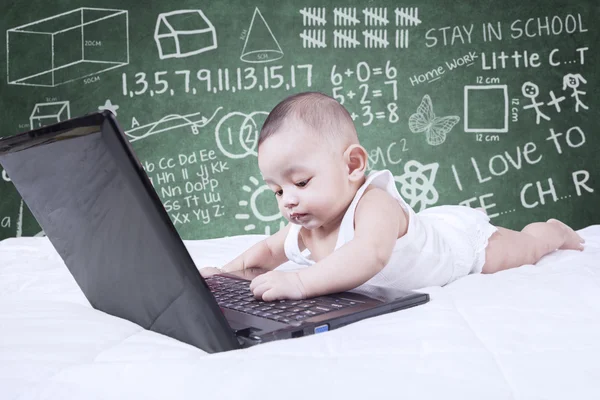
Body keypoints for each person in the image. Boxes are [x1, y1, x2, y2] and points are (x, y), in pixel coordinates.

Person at [200, 92, 585, 301]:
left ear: (352, 165)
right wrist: (224, 274)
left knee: (523, 250)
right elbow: (263, 255)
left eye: (301, 182)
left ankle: (549, 231)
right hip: (427, 230)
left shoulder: (374, 205)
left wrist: (301, 282)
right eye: (278, 190)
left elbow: (370, 254)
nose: (288, 200)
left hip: (458, 249)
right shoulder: (305, 229)